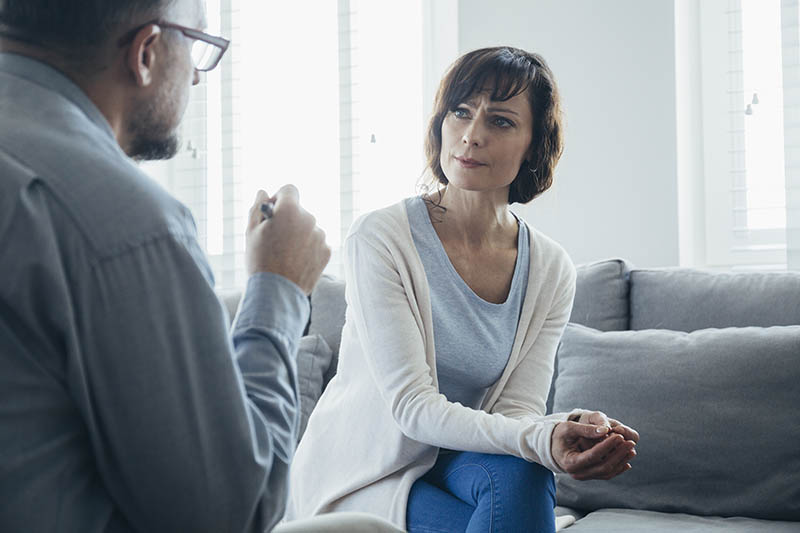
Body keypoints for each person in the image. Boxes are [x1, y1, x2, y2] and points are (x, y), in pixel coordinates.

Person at [0, 1, 403, 532]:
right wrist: (278, 287)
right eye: (196, 46)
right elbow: (230, 511)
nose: (194, 74)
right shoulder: (125, 224)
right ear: (146, 52)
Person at [287, 47, 640, 532]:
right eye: (461, 112)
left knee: (526, 473)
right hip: (367, 474)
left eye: (500, 122)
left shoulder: (551, 267)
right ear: (440, 123)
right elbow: (412, 408)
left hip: (462, 461)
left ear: (533, 145)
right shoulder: (381, 237)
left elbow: (516, 409)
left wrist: (562, 430)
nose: (472, 135)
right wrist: (544, 436)